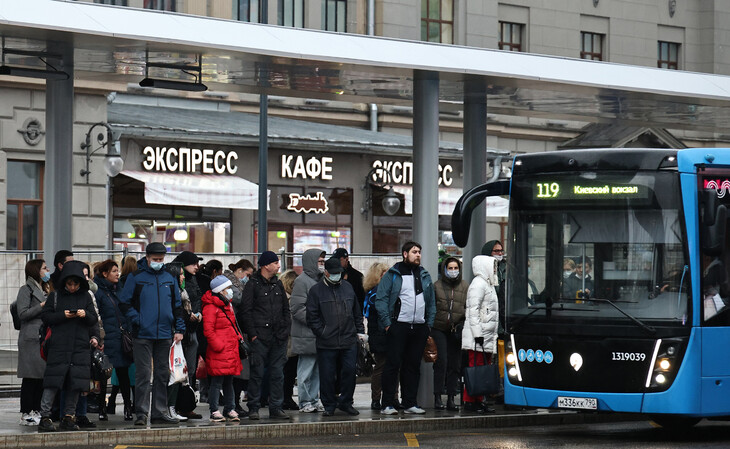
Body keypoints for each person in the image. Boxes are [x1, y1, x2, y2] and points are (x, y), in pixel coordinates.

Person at [119, 242, 186, 426]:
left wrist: (179, 329)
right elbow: (124, 303)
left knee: (162, 374)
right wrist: (137, 319)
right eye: (155, 259)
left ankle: (159, 411)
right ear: (147, 258)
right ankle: (141, 413)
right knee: (143, 374)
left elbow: (177, 305)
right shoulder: (136, 277)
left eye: (161, 259)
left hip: (164, 333)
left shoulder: (169, 277)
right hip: (142, 333)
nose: (158, 262)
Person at [375, 241, 436, 415]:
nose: (418, 255)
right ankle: (387, 403)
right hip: (398, 325)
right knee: (392, 365)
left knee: (413, 366)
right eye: (414, 252)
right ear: (404, 254)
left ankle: (410, 402)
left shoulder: (424, 274)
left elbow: (431, 302)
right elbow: (381, 299)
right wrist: (388, 324)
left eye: (419, 252)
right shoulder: (393, 274)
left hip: (419, 327)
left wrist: (428, 324)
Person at [37, 261, 99, 432]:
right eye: (69, 283)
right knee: (53, 382)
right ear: (64, 281)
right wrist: (62, 315)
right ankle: (45, 416)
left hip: (80, 347)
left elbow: (93, 319)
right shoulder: (55, 296)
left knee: (75, 384)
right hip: (59, 345)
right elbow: (46, 317)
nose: (72, 287)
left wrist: (85, 314)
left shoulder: (86, 297)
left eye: (76, 284)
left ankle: (68, 416)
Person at [306, 257, 365, 416]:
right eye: (333, 273)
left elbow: (356, 312)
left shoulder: (347, 287)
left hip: (348, 339)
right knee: (327, 375)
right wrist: (322, 332)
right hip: (327, 341)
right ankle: (329, 405)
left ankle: (346, 402)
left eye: (339, 273)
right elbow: (312, 316)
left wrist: (359, 331)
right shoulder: (316, 290)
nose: (336, 276)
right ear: (325, 272)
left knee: (349, 372)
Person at [240, 251, 291, 420]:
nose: (278, 265)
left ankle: (276, 406)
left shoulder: (278, 285)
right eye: (275, 262)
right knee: (257, 373)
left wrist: (285, 331)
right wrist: (253, 335)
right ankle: (254, 406)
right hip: (260, 337)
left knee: (278, 374)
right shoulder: (252, 284)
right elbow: (246, 312)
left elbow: (285, 309)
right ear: (266, 265)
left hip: (278, 337)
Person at [94, 259, 134, 422]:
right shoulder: (99, 293)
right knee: (103, 374)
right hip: (106, 339)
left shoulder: (120, 290)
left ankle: (127, 407)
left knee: (124, 374)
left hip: (121, 338)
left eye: (118, 271)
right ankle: (102, 408)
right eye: (114, 271)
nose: (118, 273)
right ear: (105, 274)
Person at [203, 275, 244, 422]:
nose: (230, 291)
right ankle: (214, 410)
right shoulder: (211, 307)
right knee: (216, 382)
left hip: (230, 349)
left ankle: (230, 408)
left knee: (229, 381)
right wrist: (219, 346)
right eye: (228, 288)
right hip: (220, 351)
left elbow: (231, 325)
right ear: (220, 291)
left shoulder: (228, 305)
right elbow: (208, 330)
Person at [461, 255, 499, 414]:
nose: (495, 270)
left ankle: (477, 400)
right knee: (475, 368)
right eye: (493, 266)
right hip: (479, 335)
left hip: (485, 334)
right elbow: (473, 311)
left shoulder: (487, 284)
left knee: (481, 368)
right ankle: (470, 401)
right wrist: (477, 334)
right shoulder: (479, 284)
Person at [290, 248, 326, 413]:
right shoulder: (302, 281)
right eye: (319, 261)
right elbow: (297, 308)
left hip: (317, 333)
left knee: (317, 370)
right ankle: (305, 401)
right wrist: (316, 321)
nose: (322, 264)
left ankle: (313, 399)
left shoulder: (320, 280)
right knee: (305, 370)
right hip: (307, 333)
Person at [16, 259, 50, 426]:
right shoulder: (26, 290)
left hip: (41, 338)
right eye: (44, 268)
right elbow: (22, 313)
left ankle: (36, 409)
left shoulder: (44, 288)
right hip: (30, 339)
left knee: (40, 377)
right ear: (36, 270)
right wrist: (42, 305)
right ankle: (26, 412)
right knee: (30, 378)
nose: (47, 270)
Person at [432, 256, 467, 411]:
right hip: (439, 328)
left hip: (456, 329)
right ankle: (438, 397)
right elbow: (431, 307)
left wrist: (462, 324)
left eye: (455, 268)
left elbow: (468, 307)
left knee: (455, 364)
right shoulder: (436, 286)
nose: (453, 271)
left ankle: (452, 398)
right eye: (450, 268)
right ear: (444, 270)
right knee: (441, 362)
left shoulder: (465, 286)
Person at [171, 250, 204, 416]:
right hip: (180, 331)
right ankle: (176, 405)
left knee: (190, 370)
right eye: (193, 264)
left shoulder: (193, 280)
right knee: (178, 371)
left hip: (192, 329)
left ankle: (187, 405)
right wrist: (188, 315)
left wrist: (198, 314)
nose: (197, 267)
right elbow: (176, 306)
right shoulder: (175, 279)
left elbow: (197, 300)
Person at [223, 258, 254, 414]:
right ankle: (232, 404)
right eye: (247, 274)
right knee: (236, 372)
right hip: (233, 332)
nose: (247, 278)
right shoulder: (229, 283)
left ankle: (234, 403)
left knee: (240, 371)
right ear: (240, 270)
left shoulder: (238, 284)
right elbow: (239, 299)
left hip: (239, 331)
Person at [362, 262, 390, 411]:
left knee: (388, 367)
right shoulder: (376, 293)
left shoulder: (374, 292)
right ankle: (377, 398)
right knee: (381, 367)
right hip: (380, 334)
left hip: (381, 334)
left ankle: (387, 397)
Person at [279, 269, 300, 411]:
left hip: (288, 340)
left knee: (287, 372)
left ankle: (285, 397)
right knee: (288, 372)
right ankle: (285, 398)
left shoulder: (282, 297)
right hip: (288, 340)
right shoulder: (288, 300)